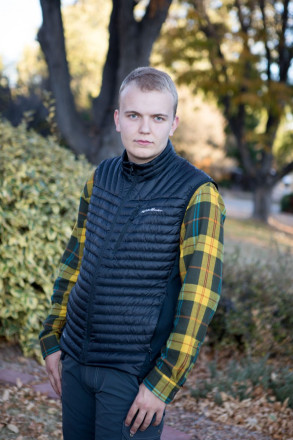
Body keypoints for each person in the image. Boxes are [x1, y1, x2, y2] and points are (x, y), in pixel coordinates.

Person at [39, 66, 226, 440]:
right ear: (117, 119)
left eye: (157, 117)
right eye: (134, 115)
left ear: (173, 123)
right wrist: (51, 339)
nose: (145, 129)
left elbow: (200, 298)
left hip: (132, 376)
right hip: (75, 359)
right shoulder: (100, 177)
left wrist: (163, 383)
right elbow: (74, 260)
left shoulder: (198, 193)